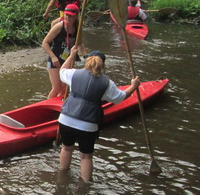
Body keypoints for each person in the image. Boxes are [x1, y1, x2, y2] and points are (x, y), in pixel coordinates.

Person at [58, 46, 141, 182]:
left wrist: (72, 56)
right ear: (103, 65)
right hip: (88, 124)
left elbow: (61, 71)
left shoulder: (74, 74)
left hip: (66, 119)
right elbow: (120, 97)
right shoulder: (107, 83)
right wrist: (133, 85)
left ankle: (62, 176)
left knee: (66, 148)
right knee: (86, 156)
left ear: (87, 61)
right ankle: (85, 186)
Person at [41, 3, 86, 98]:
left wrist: (86, 57)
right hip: (55, 59)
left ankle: (61, 105)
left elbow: (80, 43)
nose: (68, 18)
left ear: (76, 17)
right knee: (57, 88)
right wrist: (53, 57)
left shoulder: (77, 28)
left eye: (71, 16)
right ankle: (49, 106)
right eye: (66, 15)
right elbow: (45, 43)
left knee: (65, 88)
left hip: (67, 59)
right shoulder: (59, 26)